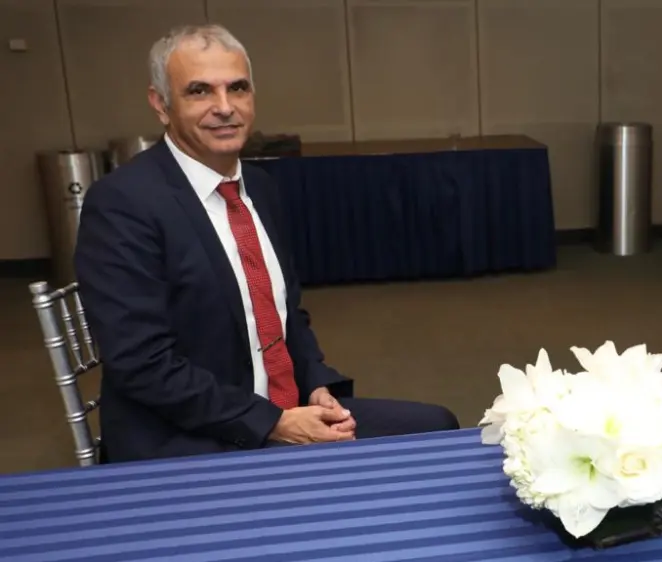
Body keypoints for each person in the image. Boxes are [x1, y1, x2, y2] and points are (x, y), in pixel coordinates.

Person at [74, 24, 459, 463]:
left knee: (437, 431)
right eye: (199, 91)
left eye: (237, 88)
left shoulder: (259, 187)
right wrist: (273, 423)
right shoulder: (122, 203)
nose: (224, 108)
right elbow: (144, 365)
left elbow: (285, 315)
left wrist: (316, 385)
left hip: (282, 408)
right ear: (160, 104)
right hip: (185, 438)